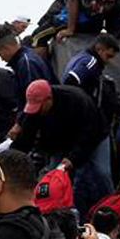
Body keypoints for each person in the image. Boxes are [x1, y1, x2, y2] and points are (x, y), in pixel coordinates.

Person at [13, 80, 111, 216]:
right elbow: (26, 136)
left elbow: (88, 135)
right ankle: (58, 214)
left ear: (49, 99)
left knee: (101, 173)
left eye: (40, 107)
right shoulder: (36, 109)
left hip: (94, 135)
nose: (37, 111)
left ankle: (109, 211)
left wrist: (73, 158)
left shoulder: (77, 100)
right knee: (54, 177)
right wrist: (12, 158)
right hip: (62, 141)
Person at [0, 25, 56, 112]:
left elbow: (35, 102)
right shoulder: (25, 59)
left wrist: (21, 124)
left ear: (6, 47)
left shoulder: (27, 64)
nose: (1, 59)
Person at [61, 34, 120, 99]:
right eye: (108, 56)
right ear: (99, 49)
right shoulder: (91, 61)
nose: (108, 61)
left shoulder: (82, 55)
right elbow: (70, 81)